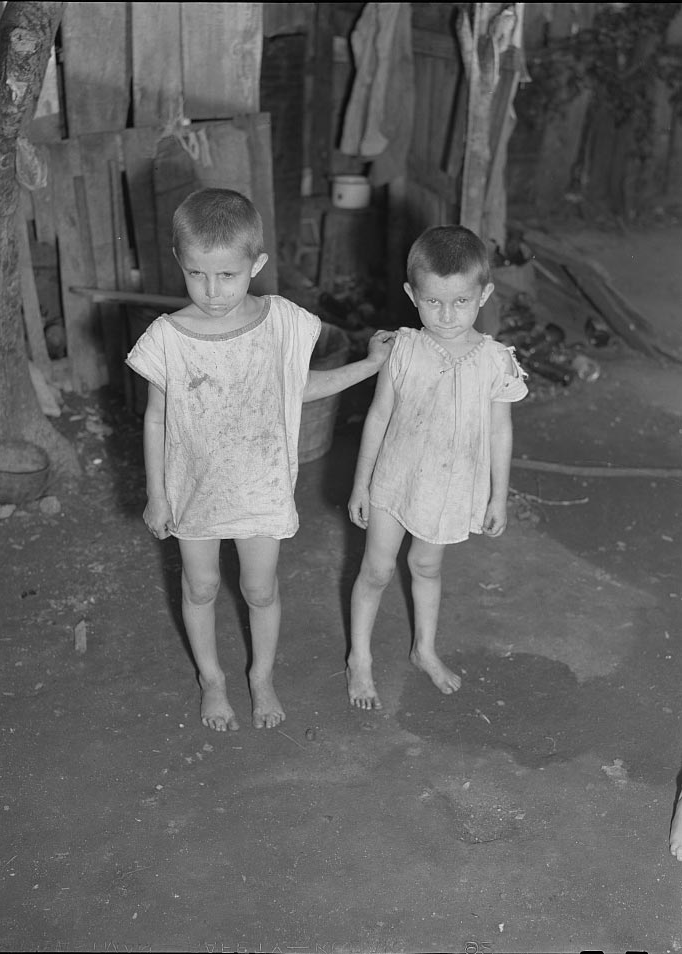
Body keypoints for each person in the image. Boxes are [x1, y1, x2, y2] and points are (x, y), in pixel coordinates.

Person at [126, 188, 394, 732]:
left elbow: (297, 389)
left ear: (257, 264)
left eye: (227, 275)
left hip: (259, 485)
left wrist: (368, 367)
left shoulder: (282, 322)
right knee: (199, 587)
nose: (212, 290)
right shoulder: (167, 338)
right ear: (180, 262)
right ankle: (212, 680)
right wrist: (157, 495)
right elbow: (156, 418)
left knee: (260, 589)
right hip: (194, 489)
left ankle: (261, 675)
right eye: (197, 274)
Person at [346, 225, 528, 710]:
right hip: (395, 478)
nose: (446, 316)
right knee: (377, 570)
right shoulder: (401, 350)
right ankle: (359, 658)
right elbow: (379, 415)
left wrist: (498, 495)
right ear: (412, 295)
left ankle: (423, 648)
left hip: (449, 486)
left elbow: (500, 431)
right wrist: (361, 484)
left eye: (461, 302)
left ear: (484, 295)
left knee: (426, 566)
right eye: (432, 302)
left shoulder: (495, 362)